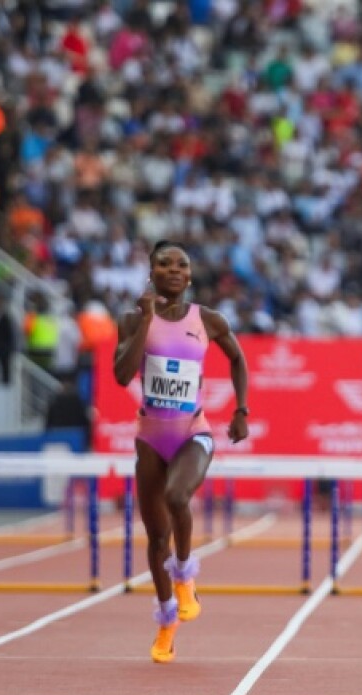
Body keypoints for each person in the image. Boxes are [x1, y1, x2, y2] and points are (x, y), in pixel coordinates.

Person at [113, 240, 249, 664]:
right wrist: (146, 320)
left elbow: (238, 360)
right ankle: (166, 621)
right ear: (151, 273)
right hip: (151, 435)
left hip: (194, 430)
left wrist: (242, 409)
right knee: (155, 538)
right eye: (164, 264)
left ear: (190, 276)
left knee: (177, 497)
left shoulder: (207, 319)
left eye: (181, 264)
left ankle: (186, 575)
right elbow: (121, 375)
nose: (173, 269)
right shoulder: (131, 320)